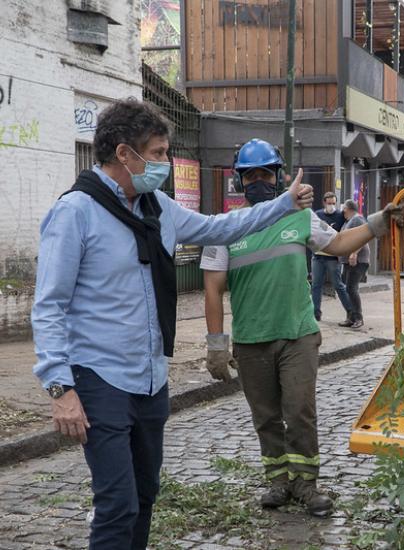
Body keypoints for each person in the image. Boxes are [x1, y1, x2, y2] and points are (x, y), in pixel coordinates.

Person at [31, 101, 313, 550]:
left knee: (145, 496)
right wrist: (59, 388)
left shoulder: (157, 208)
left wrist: (282, 204)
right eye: (158, 153)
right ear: (125, 154)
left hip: (149, 379)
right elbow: (49, 305)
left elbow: (221, 228)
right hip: (99, 377)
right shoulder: (76, 212)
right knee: (117, 502)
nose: (164, 163)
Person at [200, 139, 400, 517]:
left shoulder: (299, 217)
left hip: (298, 336)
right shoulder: (225, 227)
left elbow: (339, 243)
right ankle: (279, 481)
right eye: (250, 175)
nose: (258, 180)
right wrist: (215, 344)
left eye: (265, 173)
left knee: (300, 410)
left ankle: (306, 485)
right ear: (240, 181)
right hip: (251, 340)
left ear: (278, 177)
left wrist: (377, 223)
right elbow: (212, 287)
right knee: (266, 416)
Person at [311, 191, 352, 323]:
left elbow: (353, 221)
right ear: (324, 203)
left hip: (333, 257)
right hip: (318, 256)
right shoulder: (318, 214)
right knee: (316, 285)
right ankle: (315, 314)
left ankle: (351, 312)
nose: (331, 206)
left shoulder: (340, 215)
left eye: (333, 203)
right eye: (329, 203)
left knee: (338, 285)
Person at [338, 199, 370, 329]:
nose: (342, 211)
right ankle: (351, 317)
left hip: (357, 260)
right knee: (348, 289)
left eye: (343, 208)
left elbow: (363, 237)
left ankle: (358, 318)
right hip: (348, 261)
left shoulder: (357, 219)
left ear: (348, 208)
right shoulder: (348, 221)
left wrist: (354, 253)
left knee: (351, 289)